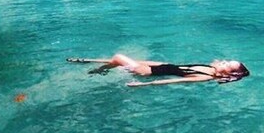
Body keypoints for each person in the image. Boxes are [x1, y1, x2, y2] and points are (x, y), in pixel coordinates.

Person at [67, 54, 250, 87]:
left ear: (227, 73)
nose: (224, 61)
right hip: (164, 65)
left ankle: (99, 71)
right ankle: (88, 61)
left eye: (228, 64)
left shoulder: (206, 77)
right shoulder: (211, 68)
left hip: (150, 73)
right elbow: (179, 69)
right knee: (124, 60)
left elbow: (177, 80)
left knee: (118, 57)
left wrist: (146, 84)